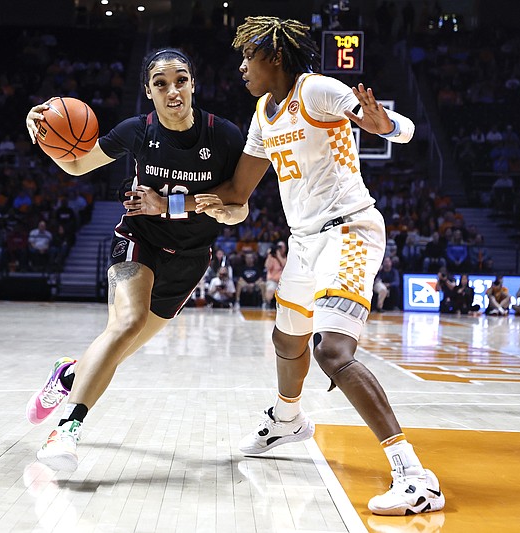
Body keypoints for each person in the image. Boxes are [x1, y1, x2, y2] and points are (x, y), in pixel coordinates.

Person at [189, 17, 443, 515]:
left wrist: (382, 124)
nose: (241, 67)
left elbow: (400, 129)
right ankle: (287, 419)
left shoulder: (318, 89)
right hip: (304, 243)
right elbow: (238, 193)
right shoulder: (264, 112)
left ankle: (415, 475)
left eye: (249, 58)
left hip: (349, 232)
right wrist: (172, 204)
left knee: (331, 350)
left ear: (275, 58)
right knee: (286, 338)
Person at [22, 48, 248, 471]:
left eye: (180, 80)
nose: (172, 90)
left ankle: (68, 376)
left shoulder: (226, 136)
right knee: (125, 324)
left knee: (121, 348)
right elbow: (77, 165)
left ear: (193, 84)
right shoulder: (137, 131)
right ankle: (66, 430)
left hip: (190, 257)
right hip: (137, 241)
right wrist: (40, 134)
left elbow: (240, 210)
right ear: (148, 91)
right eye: (160, 84)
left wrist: (175, 206)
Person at [263, 240, 287, 307]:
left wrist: (278, 255)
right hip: (273, 281)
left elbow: (284, 265)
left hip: (283, 282)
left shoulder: (286, 257)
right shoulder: (271, 258)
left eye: (281, 247)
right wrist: (269, 255)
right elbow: (267, 267)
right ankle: (267, 304)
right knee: (270, 289)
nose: (279, 249)